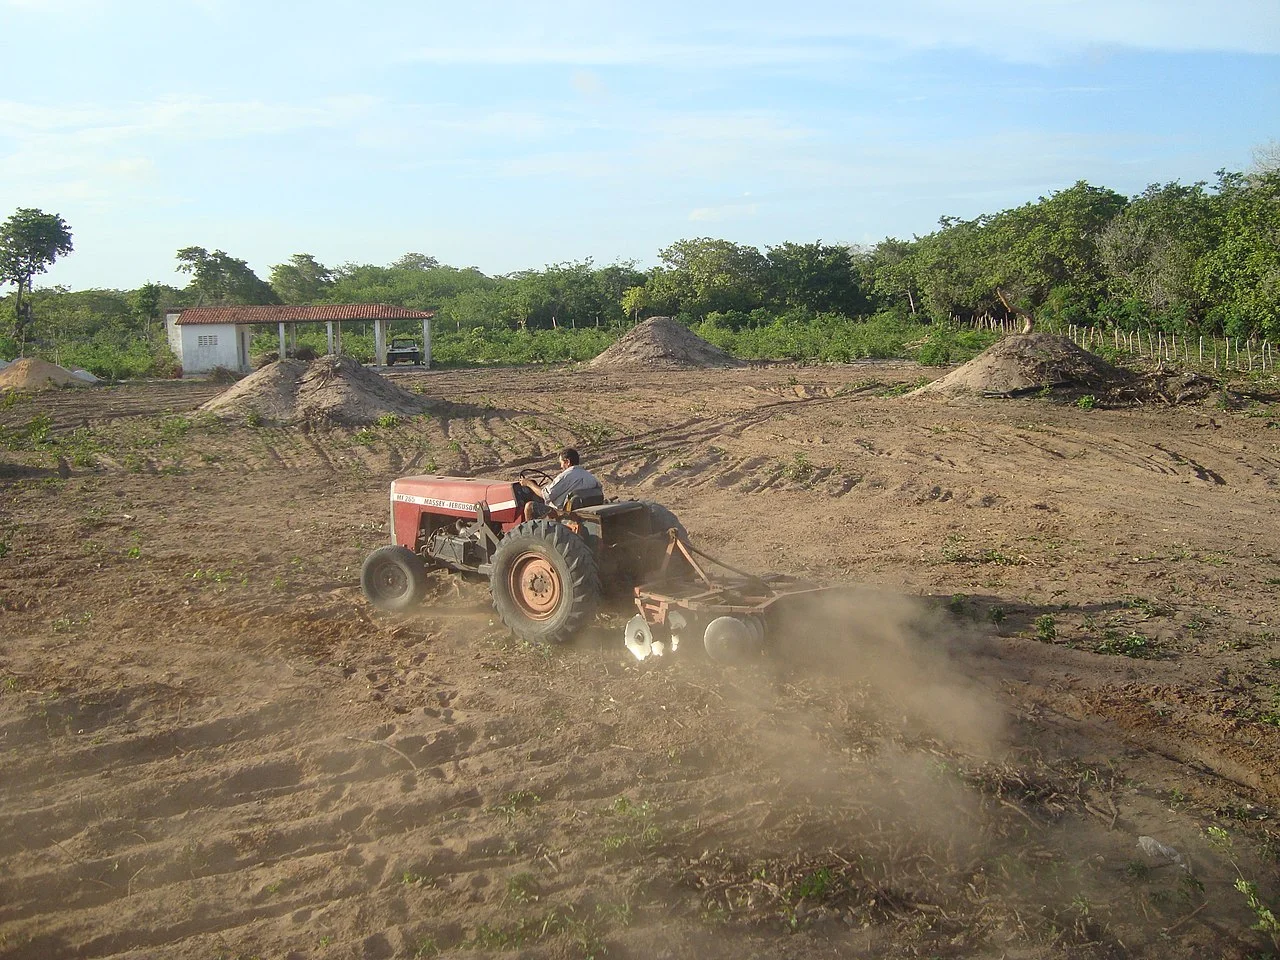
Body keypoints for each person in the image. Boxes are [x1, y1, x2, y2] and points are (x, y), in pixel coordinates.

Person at [518, 448, 602, 520]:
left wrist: (529, 483)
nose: (561, 466)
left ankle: (528, 535)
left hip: (563, 514)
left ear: (567, 462)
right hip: (580, 511)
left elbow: (546, 495)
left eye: (561, 463)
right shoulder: (589, 476)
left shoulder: (566, 476)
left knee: (529, 506)